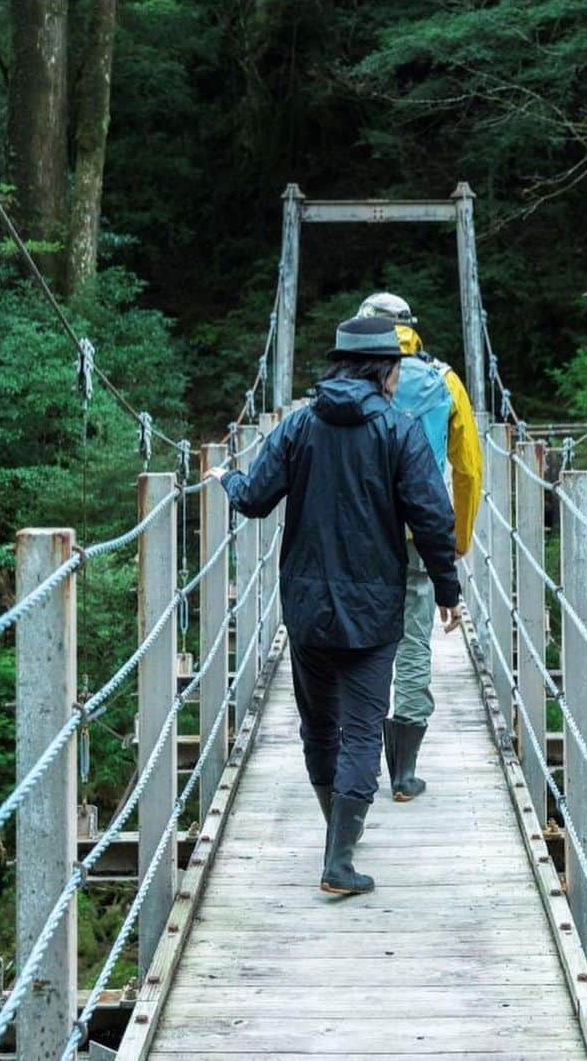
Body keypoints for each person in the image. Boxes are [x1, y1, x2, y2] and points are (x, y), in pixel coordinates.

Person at [207, 316, 461, 896]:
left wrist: (225, 478)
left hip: (307, 609)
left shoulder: (299, 428)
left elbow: (253, 499)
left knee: (319, 726)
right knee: (363, 730)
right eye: (397, 368)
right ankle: (339, 860)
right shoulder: (399, 433)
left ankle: (336, 835)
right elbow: (433, 519)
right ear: (384, 372)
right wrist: (447, 593)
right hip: (373, 615)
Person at [355, 291, 482, 801]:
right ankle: (403, 775)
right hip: (416, 534)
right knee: (413, 642)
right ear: (413, 328)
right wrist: (458, 541)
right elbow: (468, 470)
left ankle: (358, 762)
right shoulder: (444, 381)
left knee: (360, 643)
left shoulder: (350, 382)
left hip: (360, 535)